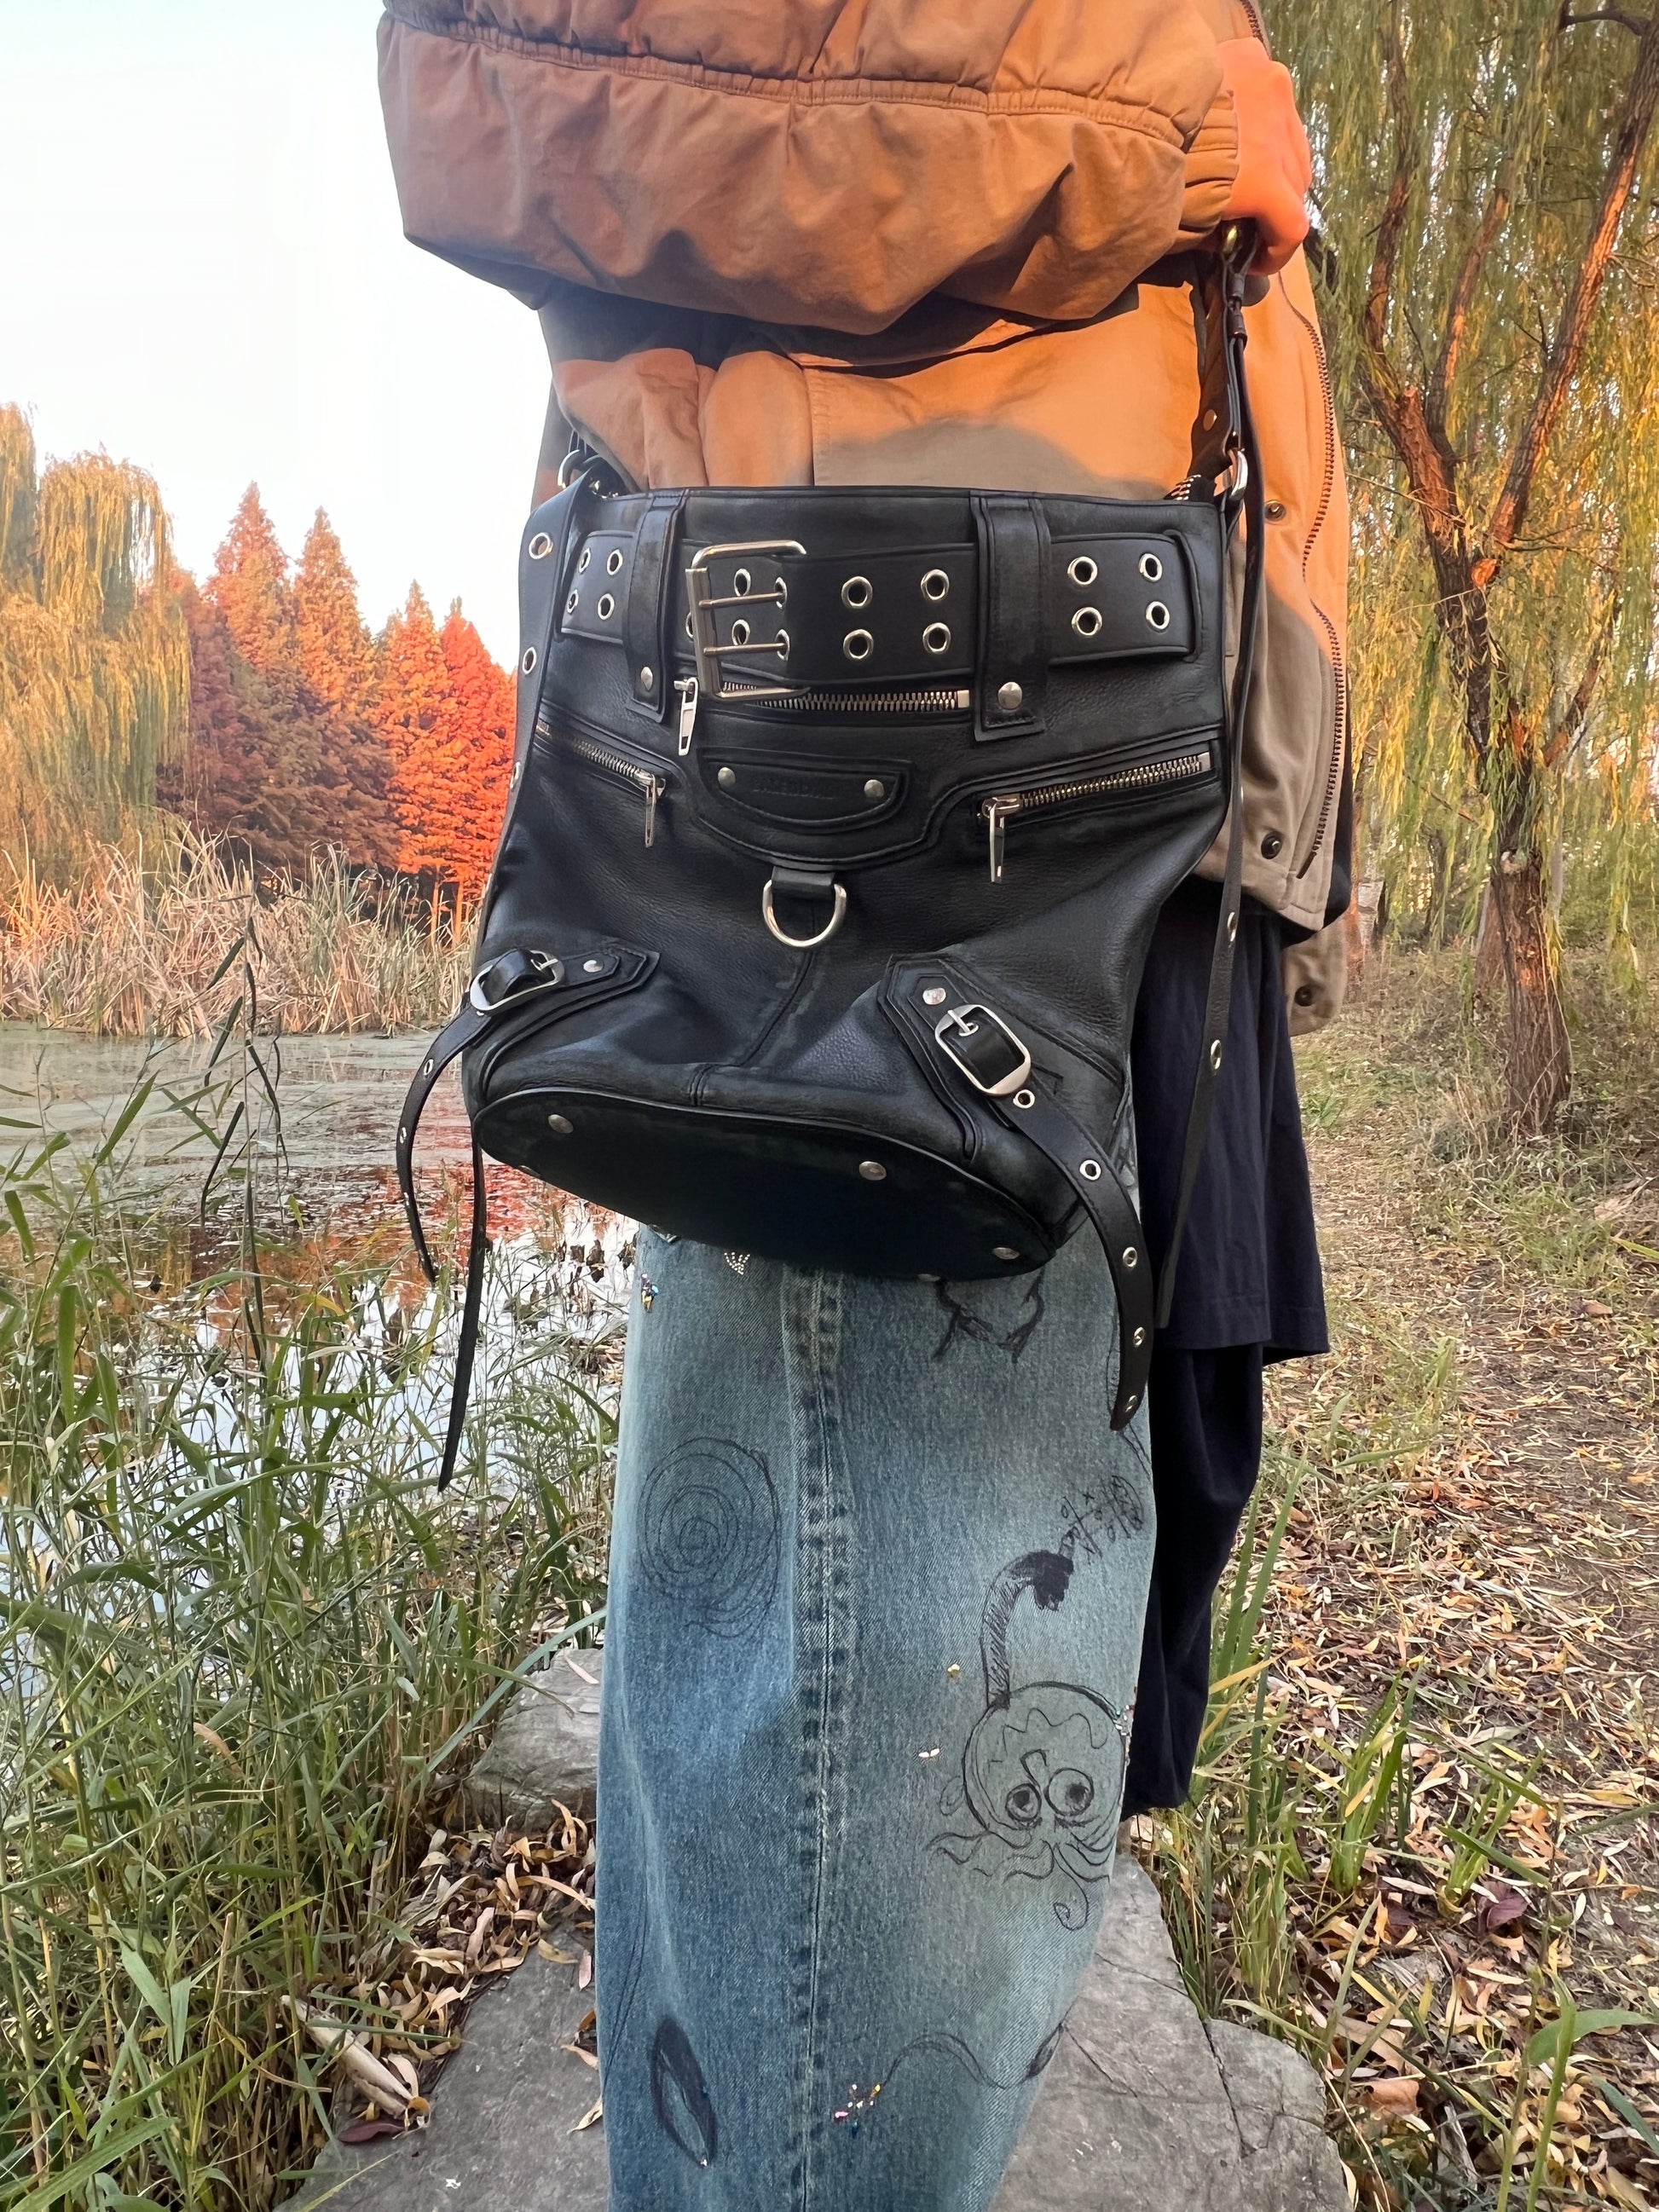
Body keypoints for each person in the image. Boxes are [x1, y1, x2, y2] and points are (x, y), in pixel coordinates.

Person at [380, 6, 1347, 2206]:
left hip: (1119, 814)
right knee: (879, 1748)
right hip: (899, 824)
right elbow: (489, 81)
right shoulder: (1148, 106)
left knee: (954, 1743)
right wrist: (1168, 123)